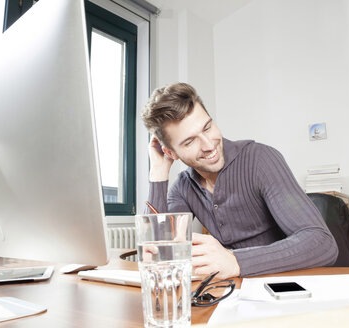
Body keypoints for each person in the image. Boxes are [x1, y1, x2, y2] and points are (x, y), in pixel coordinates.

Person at [141, 82, 338, 279]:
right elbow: (157, 255)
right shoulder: (184, 187)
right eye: (190, 141)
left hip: (288, 288)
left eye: (208, 128)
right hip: (236, 294)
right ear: (171, 152)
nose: (209, 145)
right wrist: (158, 171)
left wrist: (235, 261)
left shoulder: (261, 160)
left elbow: (321, 243)